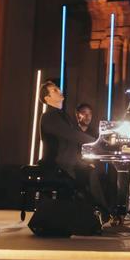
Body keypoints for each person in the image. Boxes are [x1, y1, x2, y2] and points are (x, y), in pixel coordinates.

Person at [39, 82, 112, 219]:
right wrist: (100, 142)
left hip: (69, 163)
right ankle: (103, 213)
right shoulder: (49, 117)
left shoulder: (64, 116)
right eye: (55, 90)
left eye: (58, 88)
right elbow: (72, 135)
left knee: (97, 171)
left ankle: (100, 213)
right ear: (47, 98)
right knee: (91, 174)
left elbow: (75, 139)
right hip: (56, 165)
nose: (59, 90)